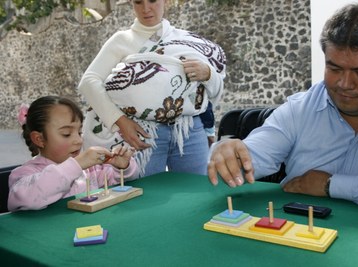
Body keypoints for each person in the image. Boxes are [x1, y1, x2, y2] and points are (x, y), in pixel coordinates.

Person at [208, 3, 358, 211]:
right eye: (334, 68)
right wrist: (229, 156)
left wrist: (330, 185)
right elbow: (254, 154)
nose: (345, 83)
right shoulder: (299, 110)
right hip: (302, 234)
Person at [78, 0, 226, 177]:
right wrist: (120, 122)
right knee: (144, 196)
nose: (146, 9)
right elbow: (88, 81)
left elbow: (214, 88)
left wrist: (208, 74)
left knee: (197, 192)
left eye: (153, 1)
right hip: (142, 132)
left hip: (189, 129)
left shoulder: (187, 40)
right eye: (138, 2)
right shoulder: (122, 40)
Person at [8, 96, 139, 211]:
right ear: (39, 139)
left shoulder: (91, 169)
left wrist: (122, 167)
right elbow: (28, 198)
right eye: (66, 134)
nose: (78, 140)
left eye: (79, 132)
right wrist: (76, 165)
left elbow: (120, 181)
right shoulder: (23, 174)